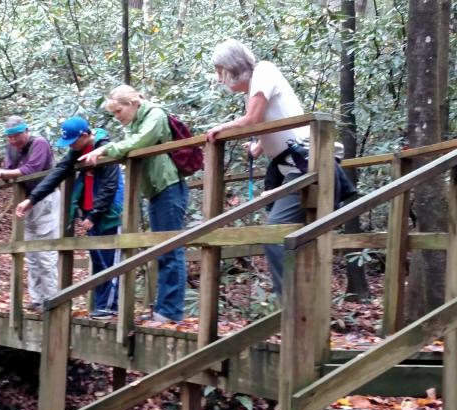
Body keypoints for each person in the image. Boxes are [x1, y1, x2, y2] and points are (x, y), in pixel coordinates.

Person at [205, 39, 310, 296]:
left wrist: (222, 128)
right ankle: (295, 299)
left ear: (232, 67)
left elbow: (253, 118)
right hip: (290, 168)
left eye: (220, 72)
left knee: (274, 232)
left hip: (306, 164)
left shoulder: (264, 70)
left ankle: (291, 304)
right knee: (289, 233)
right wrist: (259, 146)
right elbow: (275, 120)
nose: (220, 79)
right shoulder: (255, 85)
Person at [79, 85, 188, 324]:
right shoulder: (134, 123)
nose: (117, 117)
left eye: (119, 111)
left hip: (168, 186)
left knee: (170, 248)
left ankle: (170, 311)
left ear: (132, 104)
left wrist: (108, 148)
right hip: (156, 190)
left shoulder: (155, 115)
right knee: (161, 249)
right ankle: (164, 309)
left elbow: (142, 141)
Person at [15, 116, 124, 320]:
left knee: (111, 261)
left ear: (84, 136)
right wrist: (31, 200)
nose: (71, 146)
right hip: (89, 212)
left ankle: (109, 307)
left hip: (108, 213)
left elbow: (110, 185)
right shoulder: (77, 151)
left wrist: (94, 214)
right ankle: (103, 306)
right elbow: (58, 172)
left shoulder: (105, 148)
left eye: (73, 141)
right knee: (98, 260)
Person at [0, 115, 60, 311]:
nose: (13, 141)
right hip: (25, 201)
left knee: (45, 251)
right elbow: (11, 170)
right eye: (10, 137)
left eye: (17, 136)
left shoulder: (40, 143)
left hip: (45, 199)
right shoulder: (11, 148)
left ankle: (51, 299)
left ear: (26, 132)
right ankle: (37, 299)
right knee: (31, 254)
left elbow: (31, 168)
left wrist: (3, 173)